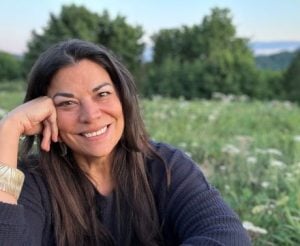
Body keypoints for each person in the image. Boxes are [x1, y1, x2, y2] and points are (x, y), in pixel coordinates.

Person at [0, 39, 251, 246]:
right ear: (46, 115)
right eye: (67, 103)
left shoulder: (165, 166)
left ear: (124, 98)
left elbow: (228, 238)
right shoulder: (32, 184)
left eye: (103, 94)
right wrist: (9, 129)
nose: (91, 116)